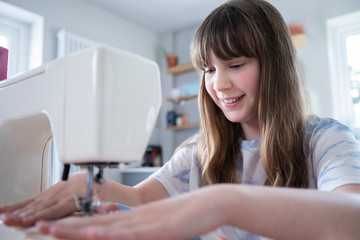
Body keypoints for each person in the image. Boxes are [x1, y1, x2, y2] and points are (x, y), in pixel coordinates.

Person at [1, 0, 360, 239]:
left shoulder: (324, 140)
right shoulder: (201, 152)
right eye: (209, 69)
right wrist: (84, 185)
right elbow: (140, 200)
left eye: (236, 65)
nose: (219, 84)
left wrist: (225, 202)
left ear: (276, 67)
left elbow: (352, 214)